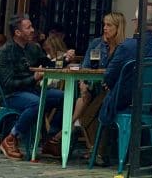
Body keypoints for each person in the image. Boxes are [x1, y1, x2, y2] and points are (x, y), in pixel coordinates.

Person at [54, 11, 127, 156]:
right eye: (104, 25)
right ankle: (92, 147)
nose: (105, 28)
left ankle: (72, 127)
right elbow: (85, 67)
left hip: (112, 91)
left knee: (95, 101)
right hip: (93, 87)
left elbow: (119, 73)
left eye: (109, 25)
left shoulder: (123, 47)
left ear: (118, 28)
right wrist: (82, 84)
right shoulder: (96, 44)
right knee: (85, 97)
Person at [0, 15, 63, 160]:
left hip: (32, 91)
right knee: (36, 102)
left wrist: (65, 59)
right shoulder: (4, 52)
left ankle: (50, 139)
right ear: (17, 32)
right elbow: (8, 83)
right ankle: (11, 138)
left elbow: (49, 64)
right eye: (28, 27)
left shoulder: (33, 48)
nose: (32, 30)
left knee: (64, 97)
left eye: (32, 27)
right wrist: (33, 78)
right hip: (11, 95)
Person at [99, 7, 152, 134]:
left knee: (100, 100)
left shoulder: (127, 46)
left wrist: (110, 84)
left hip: (124, 102)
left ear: (137, 22)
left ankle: (101, 144)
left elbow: (109, 76)